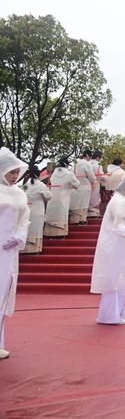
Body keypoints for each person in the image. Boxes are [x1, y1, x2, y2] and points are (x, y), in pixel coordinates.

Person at [90, 171, 125, 325]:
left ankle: (120, 312)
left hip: (122, 245)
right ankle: (109, 315)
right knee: (114, 279)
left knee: (123, 279)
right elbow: (118, 226)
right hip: (114, 245)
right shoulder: (118, 201)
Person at [0, 147, 31, 360]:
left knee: (4, 292)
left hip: (10, 250)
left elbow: (25, 219)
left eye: (17, 172)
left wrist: (20, 236)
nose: (15, 176)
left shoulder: (19, 192)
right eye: (11, 172)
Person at [43, 158, 80, 238]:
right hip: (63, 197)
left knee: (52, 214)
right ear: (66, 165)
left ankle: (50, 233)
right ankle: (60, 233)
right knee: (61, 214)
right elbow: (77, 184)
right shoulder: (69, 174)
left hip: (52, 197)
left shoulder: (53, 174)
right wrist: (70, 186)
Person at [22, 167, 51, 254]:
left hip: (27, 210)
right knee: (36, 230)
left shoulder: (25, 185)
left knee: (28, 229)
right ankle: (34, 249)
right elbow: (48, 197)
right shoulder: (41, 185)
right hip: (38, 210)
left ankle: (25, 249)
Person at [69, 150, 96, 225]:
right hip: (84, 186)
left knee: (75, 204)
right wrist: (93, 181)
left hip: (75, 186)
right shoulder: (86, 164)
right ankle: (82, 219)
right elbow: (91, 177)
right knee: (83, 204)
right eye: (90, 156)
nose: (90, 158)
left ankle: (74, 219)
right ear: (87, 155)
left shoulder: (75, 163)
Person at [88, 150, 103, 218]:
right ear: (97, 157)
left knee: (88, 198)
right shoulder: (97, 165)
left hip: (87, 185)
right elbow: (101, 176)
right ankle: (93, 214)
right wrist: (108, 178)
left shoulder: (87, 164)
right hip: (95, 184)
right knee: (94, 198)